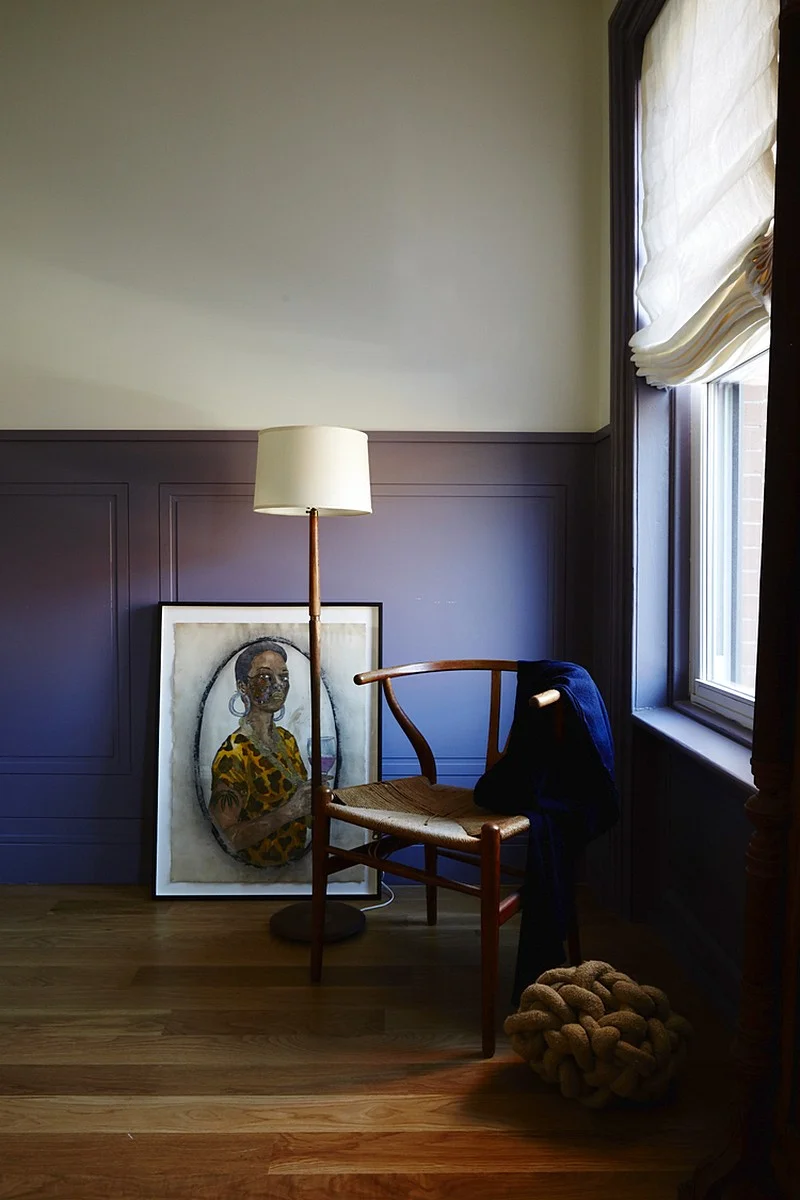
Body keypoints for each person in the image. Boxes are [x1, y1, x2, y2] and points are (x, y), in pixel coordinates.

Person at [208, 639, 312, 867]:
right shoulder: (233, 753)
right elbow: (225, 837)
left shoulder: (287, 740)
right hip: (253, 870)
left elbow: (304, 815)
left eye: (284, 677)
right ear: (243, 686)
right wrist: (288, 812)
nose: (279, 685)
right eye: (266, 677)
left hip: (295, 868)